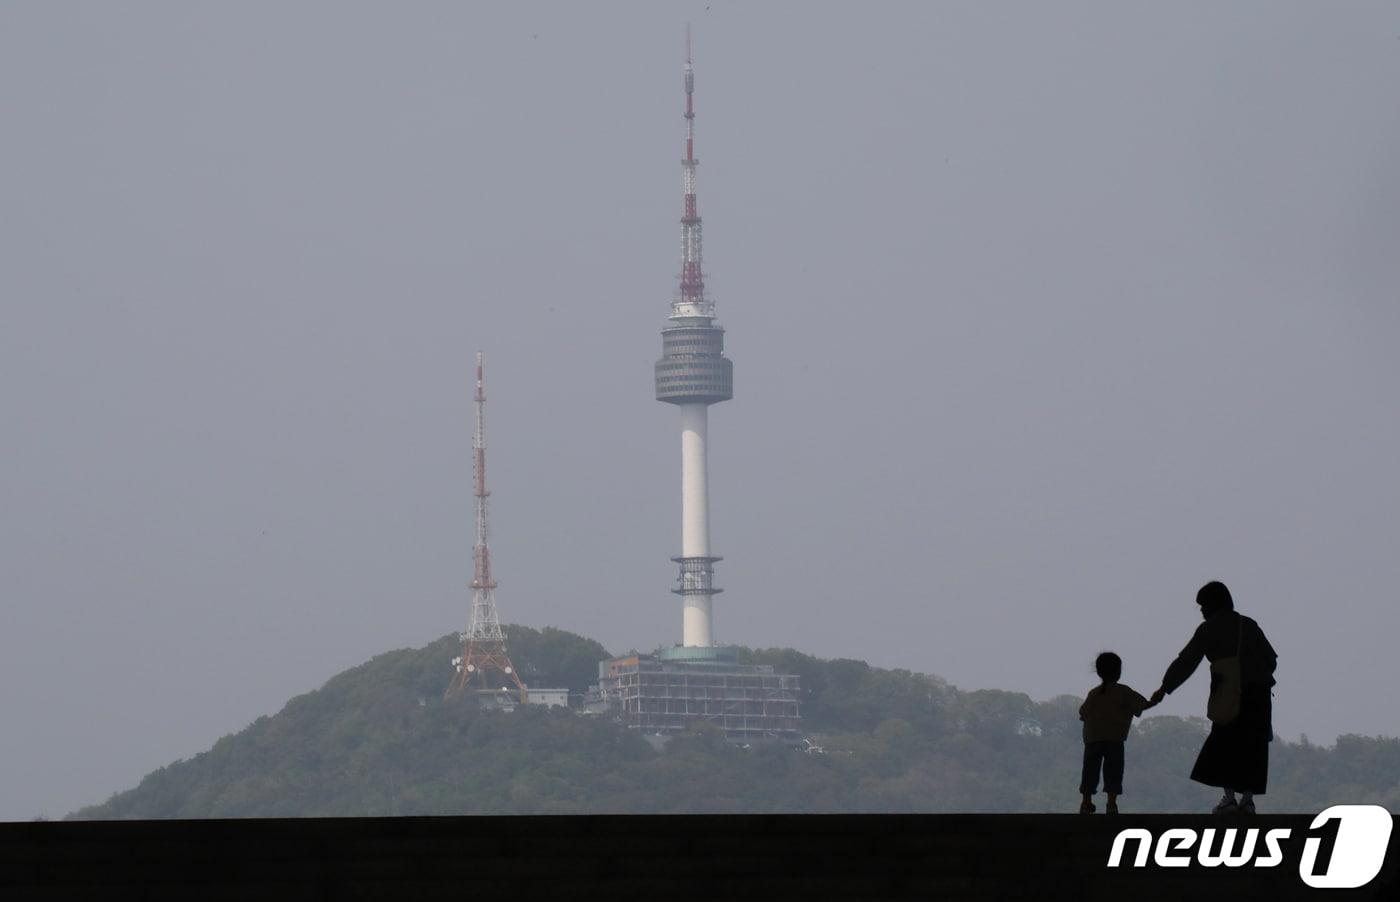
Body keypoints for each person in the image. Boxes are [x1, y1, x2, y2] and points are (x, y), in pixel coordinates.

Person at [1149, 581, 1278, 814]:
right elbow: (1271, 660)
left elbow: (1186, 661)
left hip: (1228, 693)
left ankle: (1229, 799)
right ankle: (1247, 801)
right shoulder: (1248, 624)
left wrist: (1164, 688)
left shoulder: (1209, 629)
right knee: (1253, 747)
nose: (1201, 611)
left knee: (1225, 744)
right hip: (1258, 695)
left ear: (1212, 604)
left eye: (1202, 606)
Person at [1078, 651, 1156, 814]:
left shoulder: (1093, 693)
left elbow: (1083, 713)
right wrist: (1158, 698)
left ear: (1098, 672)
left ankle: (1086, 802)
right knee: (1113, 771)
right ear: (1119, 672)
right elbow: (1142, 705)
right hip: (1115, 738)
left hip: (1093, 738)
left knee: (1090, 771)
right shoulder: (1124, 692)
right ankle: (1111, 804)